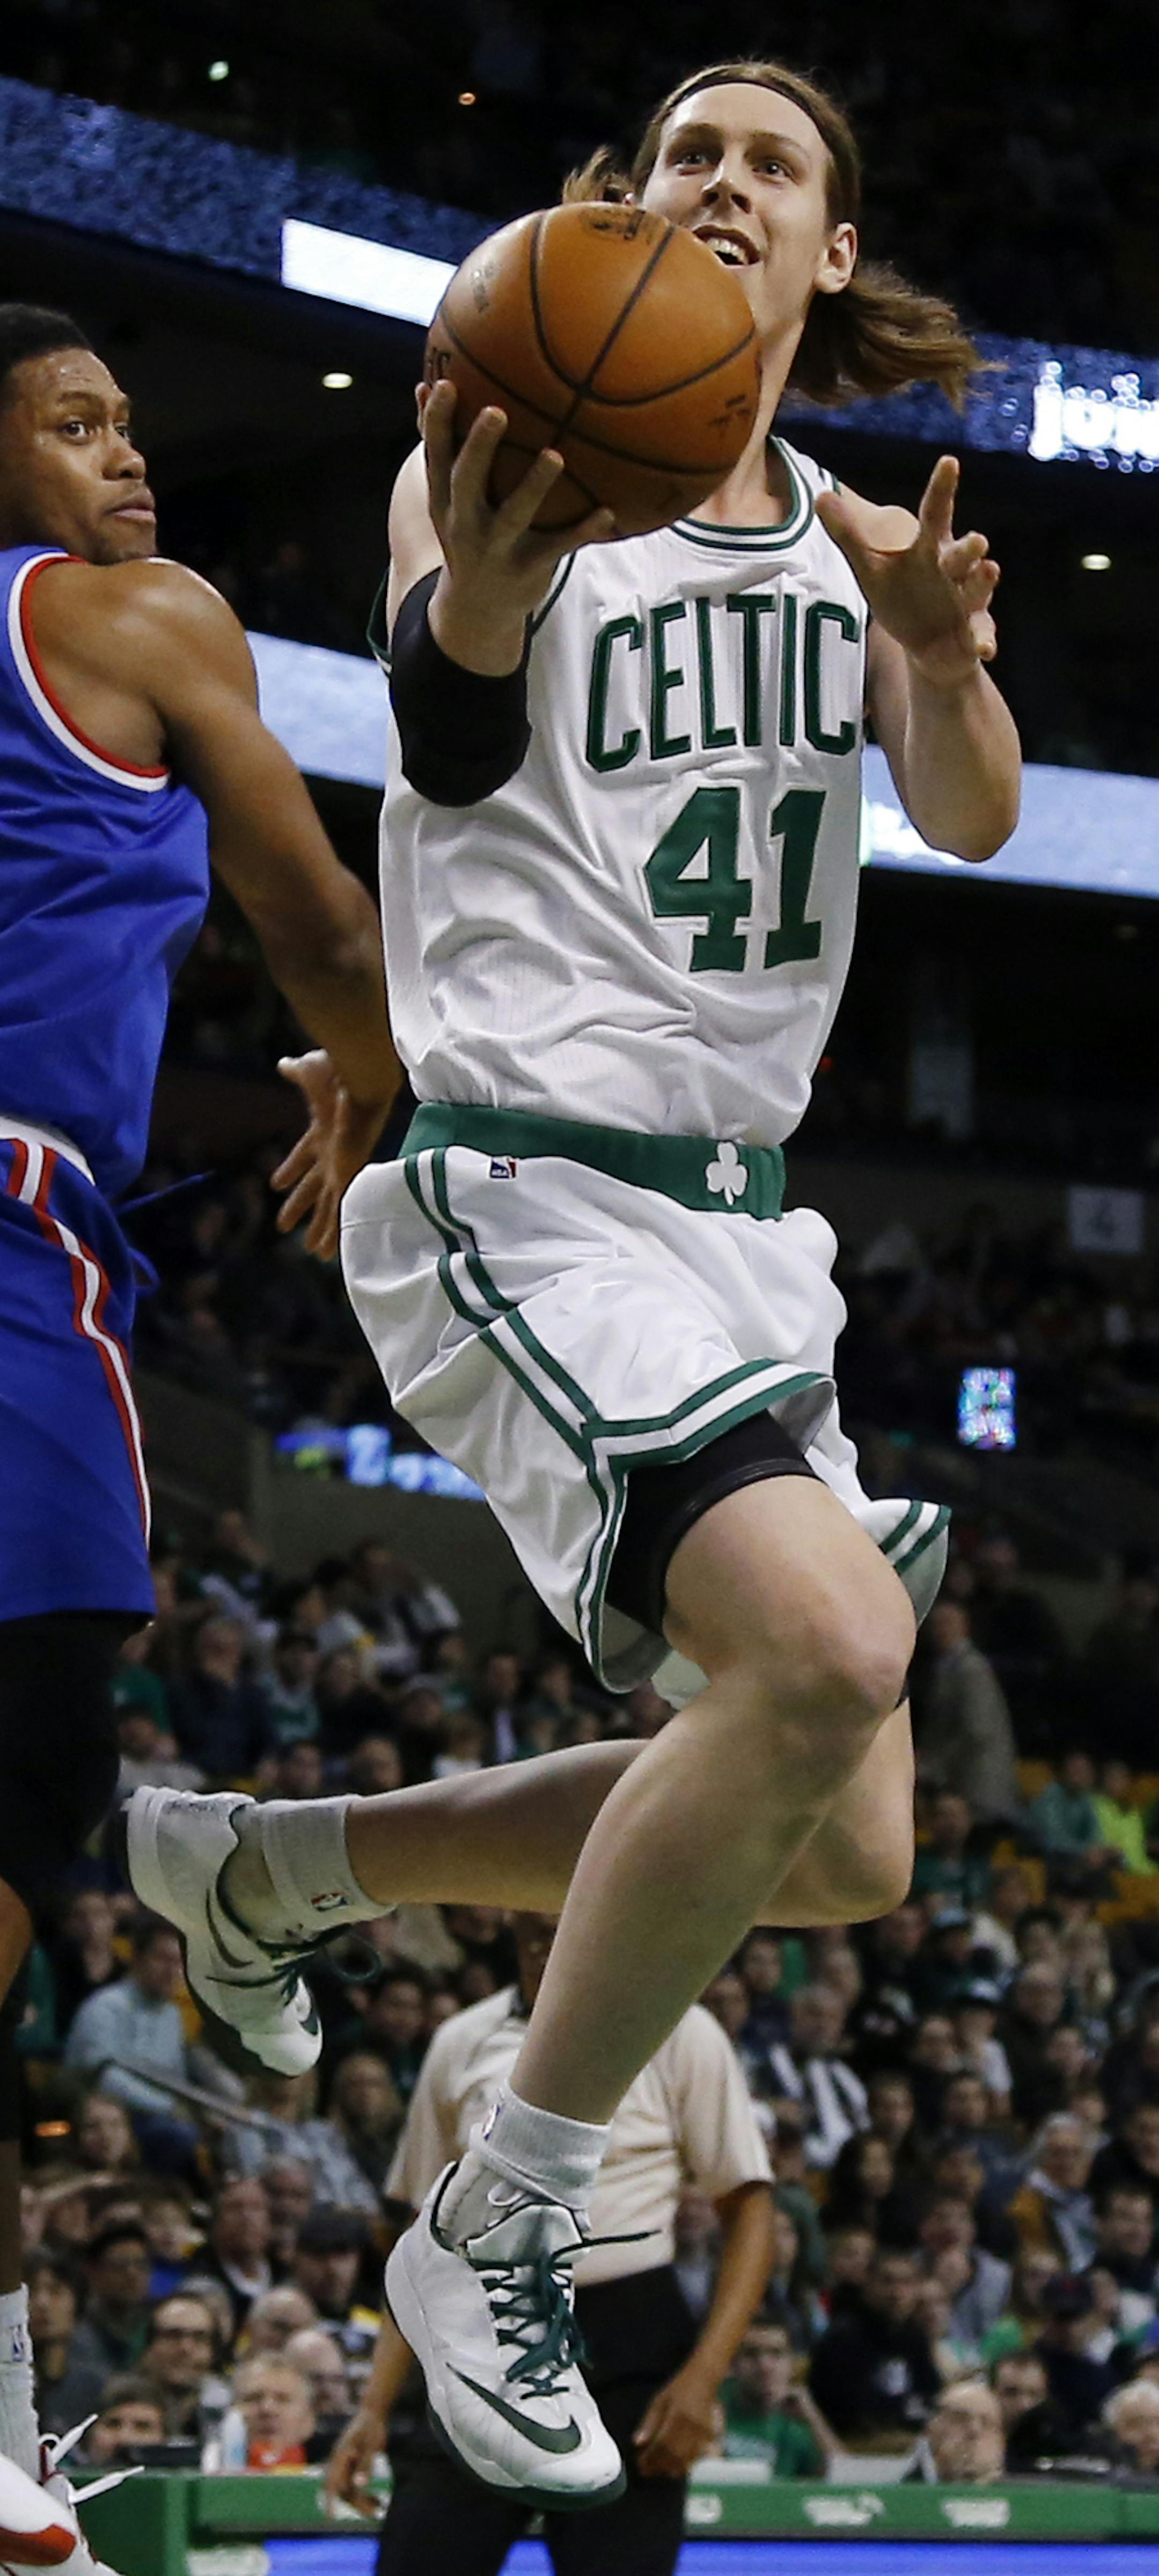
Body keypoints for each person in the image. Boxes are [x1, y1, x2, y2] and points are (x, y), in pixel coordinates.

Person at [130, 52, 1018, 2514]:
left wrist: (937, 646)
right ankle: (496, 2217)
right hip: (528, 1173)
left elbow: (967, 805)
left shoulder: (851, 544)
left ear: (829, 252)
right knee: (825, 1647)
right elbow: (437, 696)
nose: (717, 187)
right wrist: (497, 575)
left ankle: (284, 1855)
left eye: (772, 167)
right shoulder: (500, 425)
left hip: (747, 1223)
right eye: (682, 155)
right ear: (628, 210)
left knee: (845, 1846)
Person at [0, 297, 398, 2569]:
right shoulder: (145, 623)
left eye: (135, 426)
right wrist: (368, 1075)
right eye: (71, 427)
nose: (130, 463)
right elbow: (318, 907)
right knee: (18, 1851)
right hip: (11, 1269)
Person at [327, 1909, 773, 2574]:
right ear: (506, 1913)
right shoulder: (460, 2040)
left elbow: (751, 2207)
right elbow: (421, 2235)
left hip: (628, 2337)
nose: (551, 1918)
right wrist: (373, 2408)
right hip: (478, 2327)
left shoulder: (681, 2029)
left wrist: (703, 2379)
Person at [809, 2246, 941, 2451]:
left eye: (906, 2283)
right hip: (850, 2446)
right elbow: (850, 2412)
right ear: (868, 2284)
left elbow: (932, 2396)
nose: (897, 2293)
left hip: (910, 2440)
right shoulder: (843, 2338)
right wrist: (906, 2408)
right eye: (887, 2282)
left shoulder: (915, 2337)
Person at [915, 1604, 1020, 1827]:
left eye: (947, 1623)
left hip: (976, 1784)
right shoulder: (944, 1667)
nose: (939, 1630)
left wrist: (931, 1767)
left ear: (965, 1627)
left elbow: (977, 1729)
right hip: (960, 1779)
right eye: (935, 1624)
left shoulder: (971, 1669)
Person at [721, 2320, 834, 2471]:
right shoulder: (712, 2406)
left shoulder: (800, 2424)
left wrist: (812, 2418)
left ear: (792, 2364)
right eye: (751, 2354)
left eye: (776, 2353)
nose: (764, 2365)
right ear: (733, 2363)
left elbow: (847, 2482)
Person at [906, 2377, 1005, 2483]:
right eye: (960, 2419)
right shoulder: (903, 2492)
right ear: (932, 2429)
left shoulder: (1019, 2492)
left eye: (987, 2423)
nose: (975, 2431)